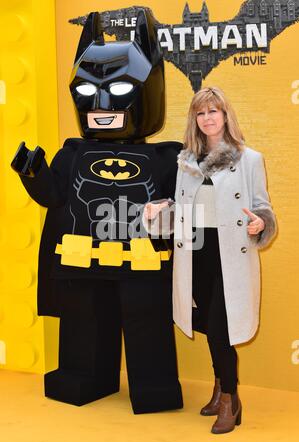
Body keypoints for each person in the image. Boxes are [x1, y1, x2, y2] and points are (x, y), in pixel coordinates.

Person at [10, 9, 183, 414]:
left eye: (120, 91)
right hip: (81, 262)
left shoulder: (165, 158)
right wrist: (32, 170)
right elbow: (53, 197)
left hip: (141, 264)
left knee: (147, 330)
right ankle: (82, 377)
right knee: (83, 328)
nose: (102, 103)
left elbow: (184, 212)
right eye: (87, 94)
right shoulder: (72, 152)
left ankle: (153, 387)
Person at [144, 86, 276, 433]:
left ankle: (230, 399)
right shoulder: (185, 162)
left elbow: (262, 207)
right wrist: (160, 211)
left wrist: (262, 223)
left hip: (230, 251)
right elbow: (180, 211)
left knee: (219, 326)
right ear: (195, 119)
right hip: (194, 250)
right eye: (201, 113)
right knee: (204, 321)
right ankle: (221, 383)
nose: (207, 119)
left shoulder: (250, 159)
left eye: (213, 111)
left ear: (225, 115)